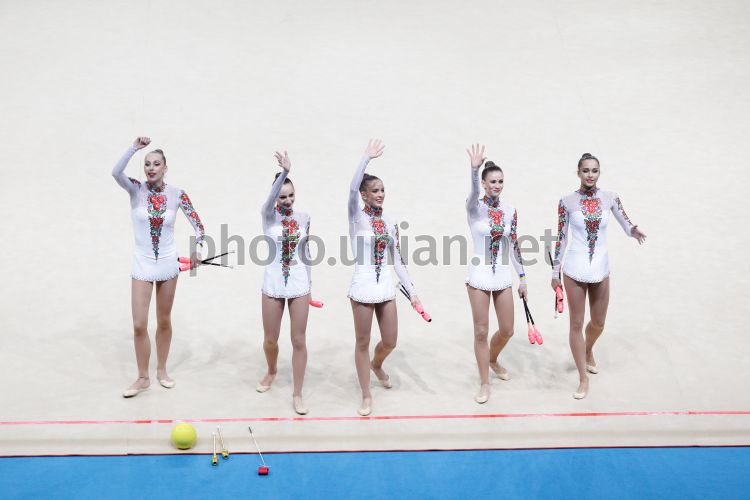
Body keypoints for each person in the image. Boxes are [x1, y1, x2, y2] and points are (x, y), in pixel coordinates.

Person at [112, 136, 205, 398]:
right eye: (147, 164)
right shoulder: (135, 189)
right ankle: (143, 377)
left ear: (165, 168)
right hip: (142, 263)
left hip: (167, 264)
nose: (151, 168)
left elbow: (199, 226)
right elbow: (116, 173)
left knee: (164, 320)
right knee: (139, 324)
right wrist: (133, 148)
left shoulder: (177, 194)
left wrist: (197, 249)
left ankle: (162, 370)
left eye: (156, 164)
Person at [552, 153, 646, 399]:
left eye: (594, 170)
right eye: (586, 170)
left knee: (598, 322)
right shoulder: (566, 202)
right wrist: (555, 271)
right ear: (578, 173)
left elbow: (625, 222)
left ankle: (588, 349)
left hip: (600, 269)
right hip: (574, 269)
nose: (590, 175)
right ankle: (583, 378)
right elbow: (561, 237)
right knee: (576, 324)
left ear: (599, 172)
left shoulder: (610, 197)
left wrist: (633, 230)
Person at [348, 139, 421, 416]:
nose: (380, 194)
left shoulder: (390, 222)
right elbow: (350, 189)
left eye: (382, 190)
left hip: (385, 286)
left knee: (390, 340)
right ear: (364, 195)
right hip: (363, 286)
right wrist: (365, 158)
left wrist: (412, 292)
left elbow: (398, 259)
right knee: (363, 342)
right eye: (375, 191)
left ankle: (376, 364)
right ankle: (366, 395)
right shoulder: (356, 216)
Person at [465, 144, 527, 404]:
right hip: (479, 276)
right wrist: (474, 169)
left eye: (500, 181)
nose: (497, 185)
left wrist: (522, 277)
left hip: (501, 275)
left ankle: (492, 358)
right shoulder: (474, 207)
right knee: (481, 332)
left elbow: (513, 243)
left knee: (508, 330)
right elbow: (472, 192)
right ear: (484, 183)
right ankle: (484, 382)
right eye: (492, 181)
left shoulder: (510, 210)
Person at [257, 151, 313, 415]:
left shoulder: (304, 218)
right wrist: (285, 172)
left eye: (291, 195)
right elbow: (269, 200)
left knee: (299, 340)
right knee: (270, 339)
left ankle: (297, 393)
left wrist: (310, 286)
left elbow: (306, 252)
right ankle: (271, 370)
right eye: (282, 196)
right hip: (273, 282)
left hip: (299, 283)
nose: (288, 200)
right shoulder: (268, 215)